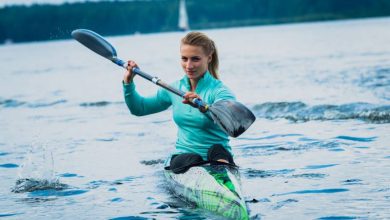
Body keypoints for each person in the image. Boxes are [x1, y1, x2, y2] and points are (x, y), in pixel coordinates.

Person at [123, 31, 237, 174]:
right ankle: (205, 167)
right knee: (191, 158)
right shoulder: (173, 89)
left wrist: (203, 107)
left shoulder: (220, 91)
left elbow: (230, 118)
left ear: (209, 58)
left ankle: (221, 172)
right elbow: (139, 108)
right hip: (185, 158)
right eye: (184, 59)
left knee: (217, 150)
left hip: (218, 157)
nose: (188, 65)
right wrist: (128, 82)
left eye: (195, 59)